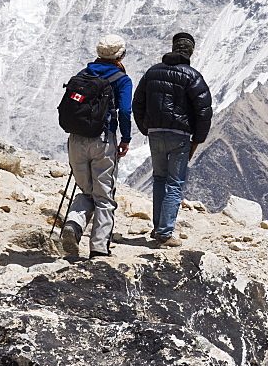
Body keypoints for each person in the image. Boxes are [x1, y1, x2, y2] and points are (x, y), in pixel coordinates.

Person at [132, 32, 212, 247]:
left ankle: (158, 227)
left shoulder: (152, 73)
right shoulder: (193, 76)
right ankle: (165, 232)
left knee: (159, 178)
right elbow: (203, 112)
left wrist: (145, 129)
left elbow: (137, 103)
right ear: (191, 51)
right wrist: (198, 140)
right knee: (175, 183)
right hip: (180, 136)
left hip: (155, 133)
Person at [60, 34, 132, 259]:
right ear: (120, 55)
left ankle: (74, 222)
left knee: (86, 190)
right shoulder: (121, 79)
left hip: (76, 139)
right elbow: (125, 111)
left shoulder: (83, 74)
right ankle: (99, 248)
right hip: (102, 140)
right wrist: (126, 138)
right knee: (104, 195)